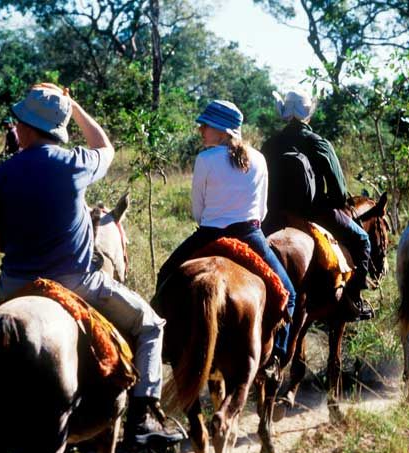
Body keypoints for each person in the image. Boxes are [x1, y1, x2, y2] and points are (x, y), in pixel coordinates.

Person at [0, 83, 183, 448]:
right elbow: (106, 147)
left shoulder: (2, 173)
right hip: (77, 284)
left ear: (25, 127)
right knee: (150, 324)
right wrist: (76, 107)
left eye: (19, 122)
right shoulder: (76, 162)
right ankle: (144, 415)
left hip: (16, 286)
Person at [154, 100, 296, 384]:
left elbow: (198, 210)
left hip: (209, 234)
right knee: (288, 293)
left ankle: (167, 346)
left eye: (205, 125)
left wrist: (214, 218)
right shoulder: (259, 158)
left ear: (221, 130)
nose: (200, 129)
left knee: (165, 277)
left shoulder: (205, 160)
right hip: (250, 235)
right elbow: (263, 211)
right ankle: (276, 358)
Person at [260, 90, 374, 321]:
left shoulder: (269, 144)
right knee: (362, 240)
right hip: (314, 212)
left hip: (270, 214)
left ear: (284, 113)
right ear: (307, 115)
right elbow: (339, 192)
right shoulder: (319, 143)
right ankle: (354, 300)